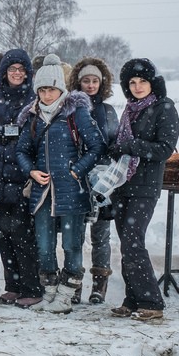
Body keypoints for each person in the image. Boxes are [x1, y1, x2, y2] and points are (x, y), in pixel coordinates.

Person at [16, 54, 105, 313]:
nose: (46, 94)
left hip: (71, 191)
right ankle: (50, 293)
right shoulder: (32, 117)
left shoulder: (75, 113)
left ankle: (66, 296)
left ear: (61, 89)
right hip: (42, 192)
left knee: (71, 244)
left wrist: (77, 170)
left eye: (51, 89)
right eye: (42, 89)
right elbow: (21, 151)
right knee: (44, 246)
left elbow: (97, 146)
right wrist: (31, 171)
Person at [106, 58, 179, 321]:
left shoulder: (164, 108)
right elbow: (123, 143)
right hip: (122, 185)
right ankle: (132, 298)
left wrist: (132, 146)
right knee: (126, 244)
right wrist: (116, 148)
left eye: (143, 81)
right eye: (132, 83)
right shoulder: (130, 109)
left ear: (153, 83)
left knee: (133, 241)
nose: (137, 87)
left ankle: (152, 302)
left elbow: (164, 149)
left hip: (145, 186)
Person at [0, 49, 43, 307]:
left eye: (21, 69)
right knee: (3, 234)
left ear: (27, 73)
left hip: (22, 172)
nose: (16, 74)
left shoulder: (34, 99)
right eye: (11, 69)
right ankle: (13, 285)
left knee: (23, 235)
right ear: (4, 73)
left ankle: (32, 286)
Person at [67, 57, 119, 304]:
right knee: (76, 233)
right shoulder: (71, 108)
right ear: (78, 82)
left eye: (94, 81)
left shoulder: (107, 110)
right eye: (85, 81)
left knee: (101, 233)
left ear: (102, 82)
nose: (90, 85)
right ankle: (74, 283)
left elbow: (116, 141)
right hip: (77, 176)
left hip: (102, 179)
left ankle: (99, 285)